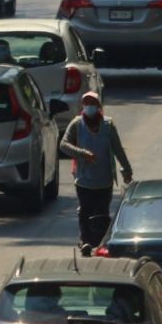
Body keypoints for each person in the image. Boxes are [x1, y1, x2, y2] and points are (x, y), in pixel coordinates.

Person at [58, 91, 133, 256]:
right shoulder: (77, 124)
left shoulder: (108, 125)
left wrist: (127, 170)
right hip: (84, 179)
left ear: (98, 106)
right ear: (83, 106)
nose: (89, 106)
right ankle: (85, 241)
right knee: (85, 210)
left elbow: (118, 149)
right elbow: (64, 145)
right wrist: (82, 153)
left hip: (104, 179)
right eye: (87, 103)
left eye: (92, 103)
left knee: (102, 213)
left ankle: (100, 243)